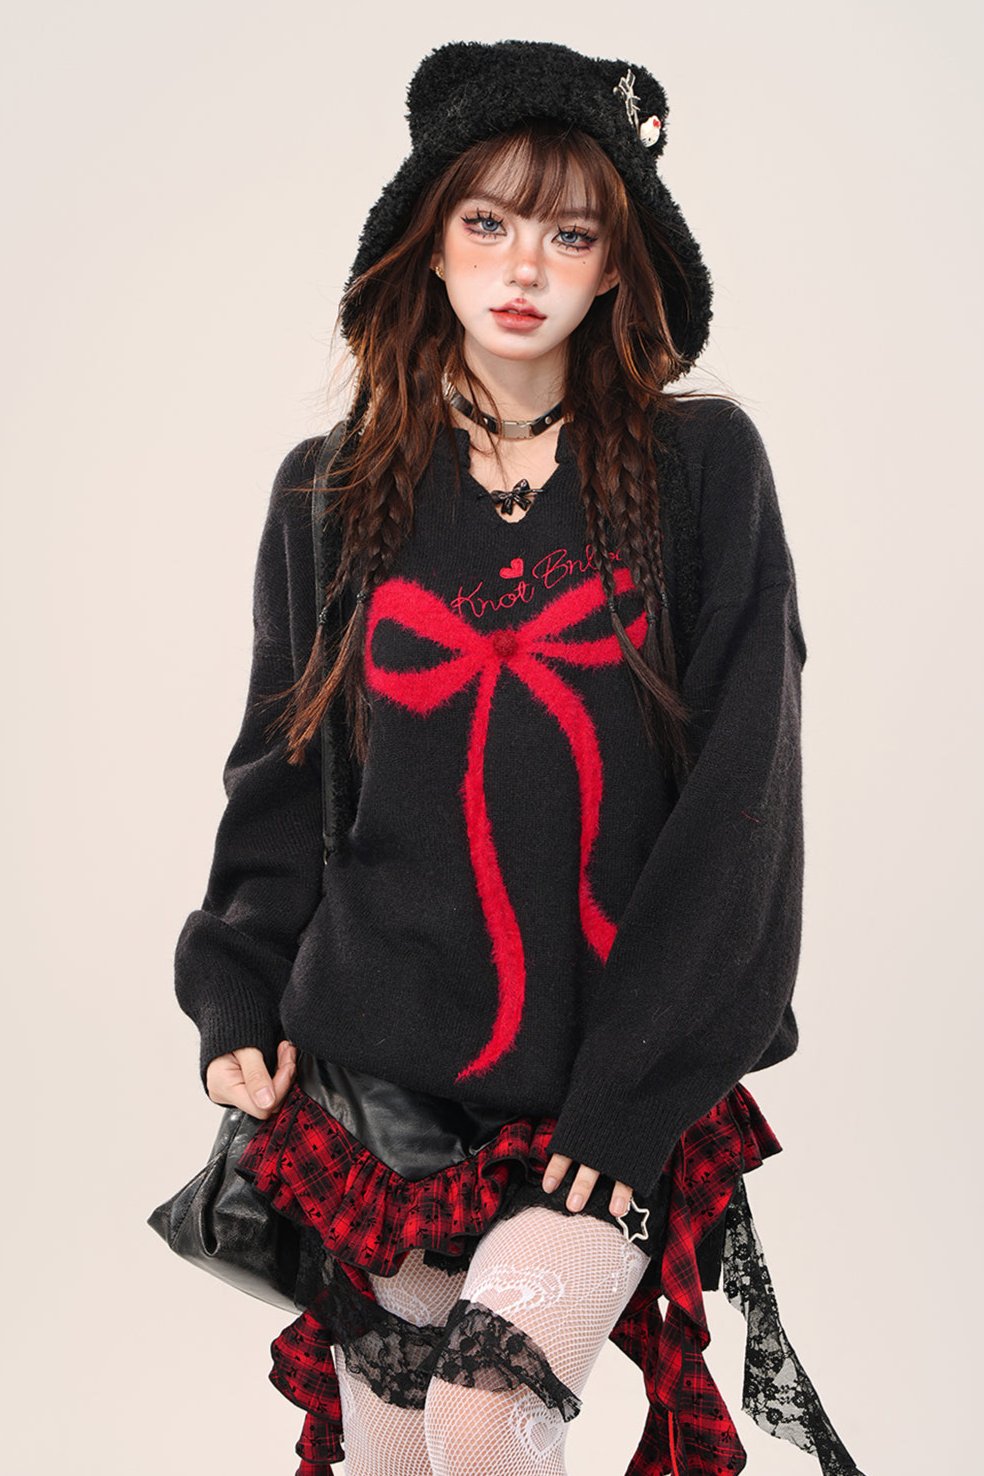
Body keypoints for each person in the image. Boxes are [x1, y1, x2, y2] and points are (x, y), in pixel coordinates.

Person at [173, 39, 868, 1476]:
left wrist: (633, 1096)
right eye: (486, 222)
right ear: (427, 244)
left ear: (616, 268)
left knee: (486, 1420)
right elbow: (280, 774)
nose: (523, 266)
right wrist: (234, 982)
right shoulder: (329, 492)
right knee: (394, 1449)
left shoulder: (700, 472)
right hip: (373, 1083)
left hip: (602, 1082)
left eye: (571, 232)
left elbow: (742, 809)